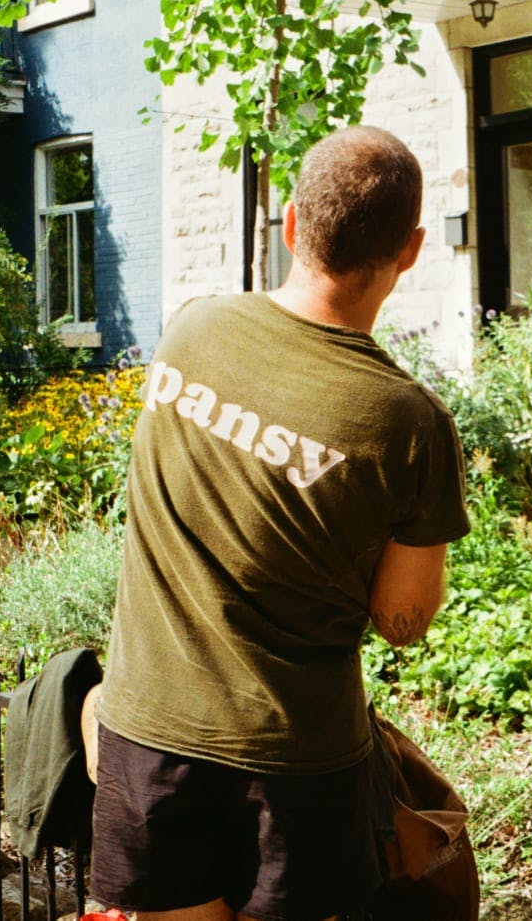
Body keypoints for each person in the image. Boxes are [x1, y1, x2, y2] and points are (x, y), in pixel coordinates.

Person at [91, 125, 469, 921]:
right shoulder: (411, 422)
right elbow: (402, 620)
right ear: (410, 250)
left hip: (151, 732)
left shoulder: (193, 328)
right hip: (297, 761)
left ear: (292, 225)